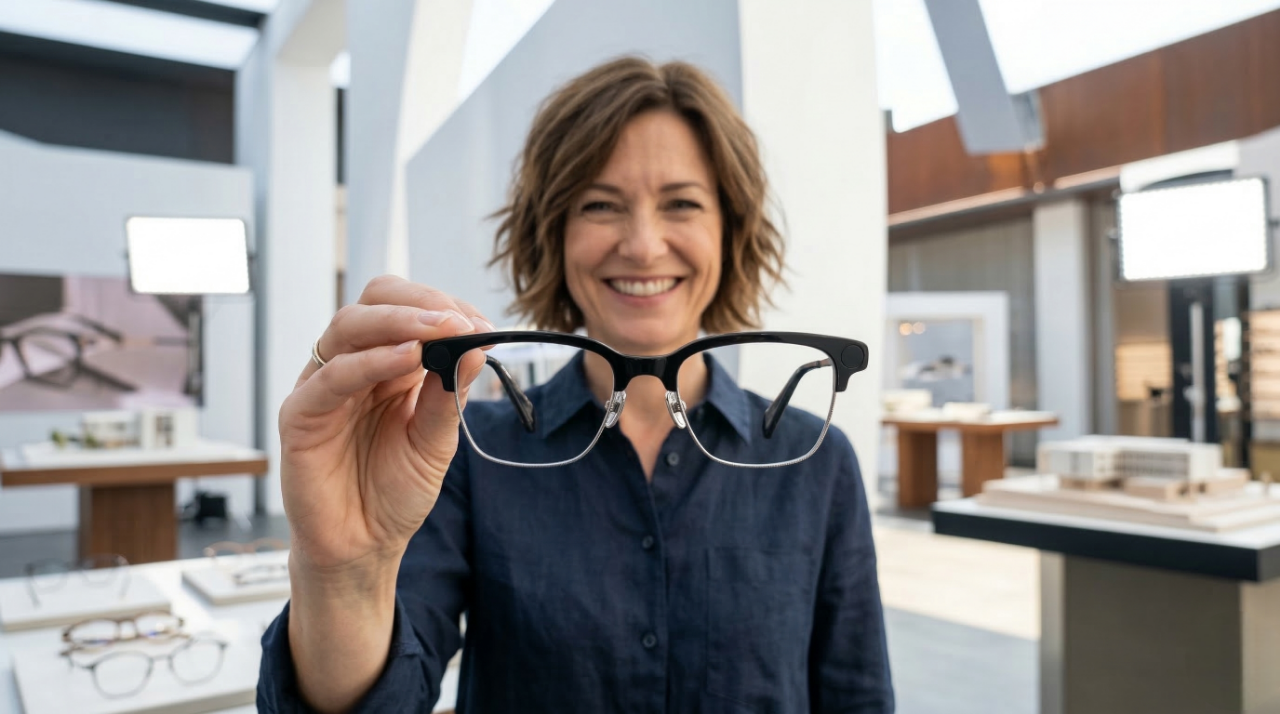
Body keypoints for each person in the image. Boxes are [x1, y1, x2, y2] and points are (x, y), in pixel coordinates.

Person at [258, 57, 893, 713]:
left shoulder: (815, 460)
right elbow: (390, 695)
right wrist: (342, 571)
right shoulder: (468, 453)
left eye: (681, 203)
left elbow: (857, 695)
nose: (643, 245)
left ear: (730, 230)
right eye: (600, 205)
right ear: (553, 232)